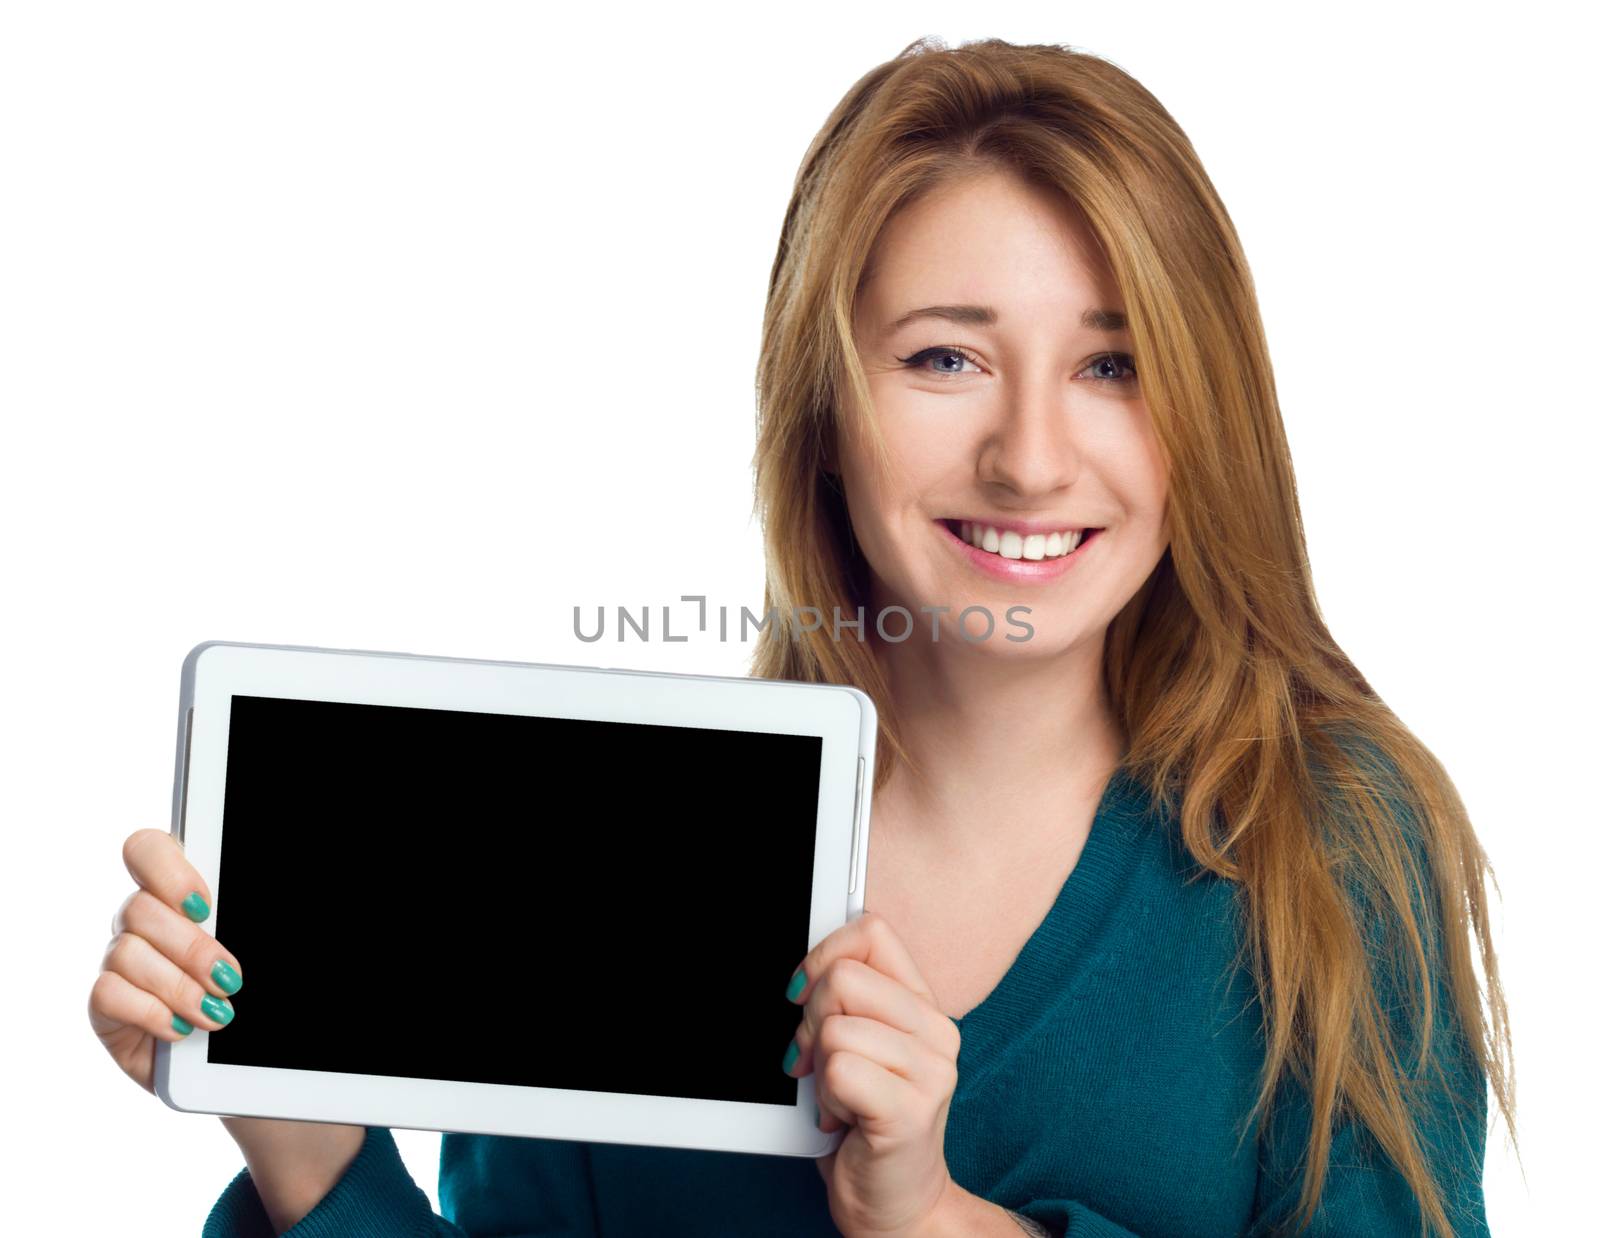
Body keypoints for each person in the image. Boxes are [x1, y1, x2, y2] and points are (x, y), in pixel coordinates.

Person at [89, 35, 1516, 1238]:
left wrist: (939, 1219)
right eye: (945, 358)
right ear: (824, 412)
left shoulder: (1324, 850)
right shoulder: (619, 858)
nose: (1030, 458)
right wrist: (298, 1146)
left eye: (1112, 365)